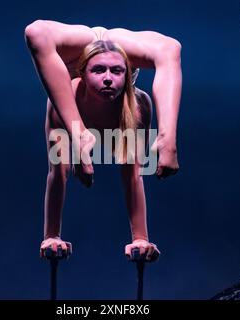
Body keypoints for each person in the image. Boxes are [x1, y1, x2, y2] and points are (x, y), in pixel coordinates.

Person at [24, 21, 182, 262]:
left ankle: (167, 140)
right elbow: (58, 173)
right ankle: (79, 135)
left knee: (171, 48)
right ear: (82, 74)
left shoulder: (138, 107)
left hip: (120, 45)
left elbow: (133, 174)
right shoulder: (63, 104)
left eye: (116, 72)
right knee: (34, 32)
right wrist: (51, 236)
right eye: (98, 71)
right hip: (81, 48)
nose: (108, 79)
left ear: (128, 76)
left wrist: (140, 239)